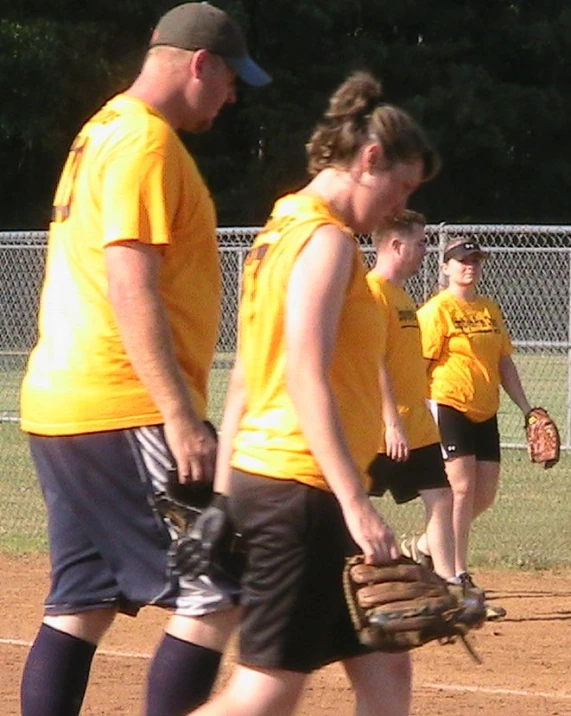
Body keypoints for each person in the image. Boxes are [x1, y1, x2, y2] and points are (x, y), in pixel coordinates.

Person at [18, 4, 270, 716]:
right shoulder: (144, 144)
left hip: (65, 405)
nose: (231, 96)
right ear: (199, 64)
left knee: (82, 602)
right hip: (121, 402)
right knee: (216, 590)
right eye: (229, 80)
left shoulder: (101, 132)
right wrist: (179, 415)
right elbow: (130, 282)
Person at [189, 71, 440, 716]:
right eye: (401, 187)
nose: (398, 208)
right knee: (266, 690)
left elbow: (247, 372)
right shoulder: (325, 241)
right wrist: (358, 507)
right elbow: (302, 372)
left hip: (289, 483)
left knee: (385, 661)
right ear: (369, 159)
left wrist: (222, 495)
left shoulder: (278, 230)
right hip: (297, 490)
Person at [416, 238, 534, 619]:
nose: (470, 266)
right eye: (462, 260)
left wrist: (526, 407)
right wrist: (415, 412)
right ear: (446, 267)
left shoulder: (489, 309)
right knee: (460, 490)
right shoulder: (436, 311)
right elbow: (418, 364)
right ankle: (459, 576)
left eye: (475, 261)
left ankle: (425, 546)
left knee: (483, 495)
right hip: (448, 404)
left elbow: (504, 363)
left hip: (486, 409)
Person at [366, 211, 458, 588]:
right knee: (351, 500)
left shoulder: (401, 295)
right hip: (380, 426)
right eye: (420, 243)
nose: (425, 251)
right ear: (396, 245)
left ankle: (449, 580)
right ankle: (343, 577)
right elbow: (374, 363)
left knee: (442, 496)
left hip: (417, 423)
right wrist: (391, 423)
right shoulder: (372, 293)